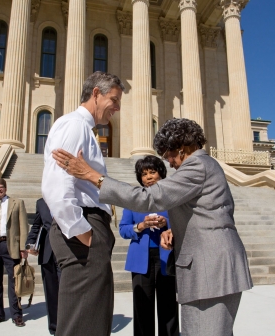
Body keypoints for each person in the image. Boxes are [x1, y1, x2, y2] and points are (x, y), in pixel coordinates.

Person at [54, 118, 253, 335]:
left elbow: (148, 199)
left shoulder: (196, 165)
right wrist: (173, 231)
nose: (168, 161)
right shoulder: (206, 165)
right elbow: (209, 214)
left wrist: (91, 175)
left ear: (182, 147)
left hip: (210, 270)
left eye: (168, 154)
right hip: (214, 266)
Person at [41, 71, 124, 336]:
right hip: (83, 227)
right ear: (96, 94)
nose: (118, 107)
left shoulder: (83, 128)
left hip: (89, 226)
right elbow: (57, 183)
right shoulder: (75, 125)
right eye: (114, 99)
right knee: (83, 320)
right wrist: (80, 230)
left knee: (92, 317)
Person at [119, 156, 179, 336]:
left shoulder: (171, 197)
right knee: (142, 307)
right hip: (140, 259)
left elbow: (180, 223)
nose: (148, 177)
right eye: (144, 174)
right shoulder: (133, 199)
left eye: (152, 172)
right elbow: (123, 230)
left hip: (166, 256)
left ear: (161, 173)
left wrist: (165, 223)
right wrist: (141, 226)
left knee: (168, 305)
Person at [0, 177, 29, 327]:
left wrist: (23, 248)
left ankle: (16, 315)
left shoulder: (17, 203)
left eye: (1, 187)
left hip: (11, 246)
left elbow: (23, 226)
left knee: (15, 282)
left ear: (5, 188)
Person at [25, 198, 61, 335]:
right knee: (51, 292)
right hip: (47, 253)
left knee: (66, 292)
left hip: (68, 252)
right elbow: (36, 225)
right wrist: (30, 243)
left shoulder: (70, 196)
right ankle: (54, 328)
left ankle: (69, 325)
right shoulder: (41, 202)